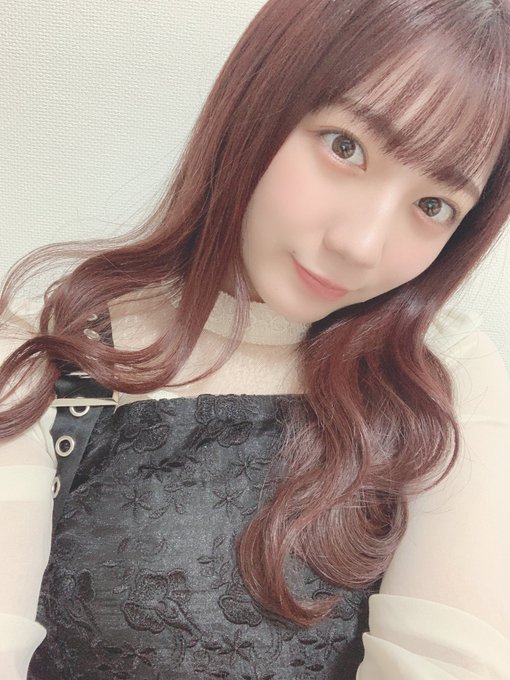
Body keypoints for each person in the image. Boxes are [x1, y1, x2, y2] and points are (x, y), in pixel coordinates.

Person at [1, 0, 509, 677]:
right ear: (258, 101)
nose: (360, 245)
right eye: (346, 147)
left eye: (432, 205)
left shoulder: (445, 376)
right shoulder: (48, 351)